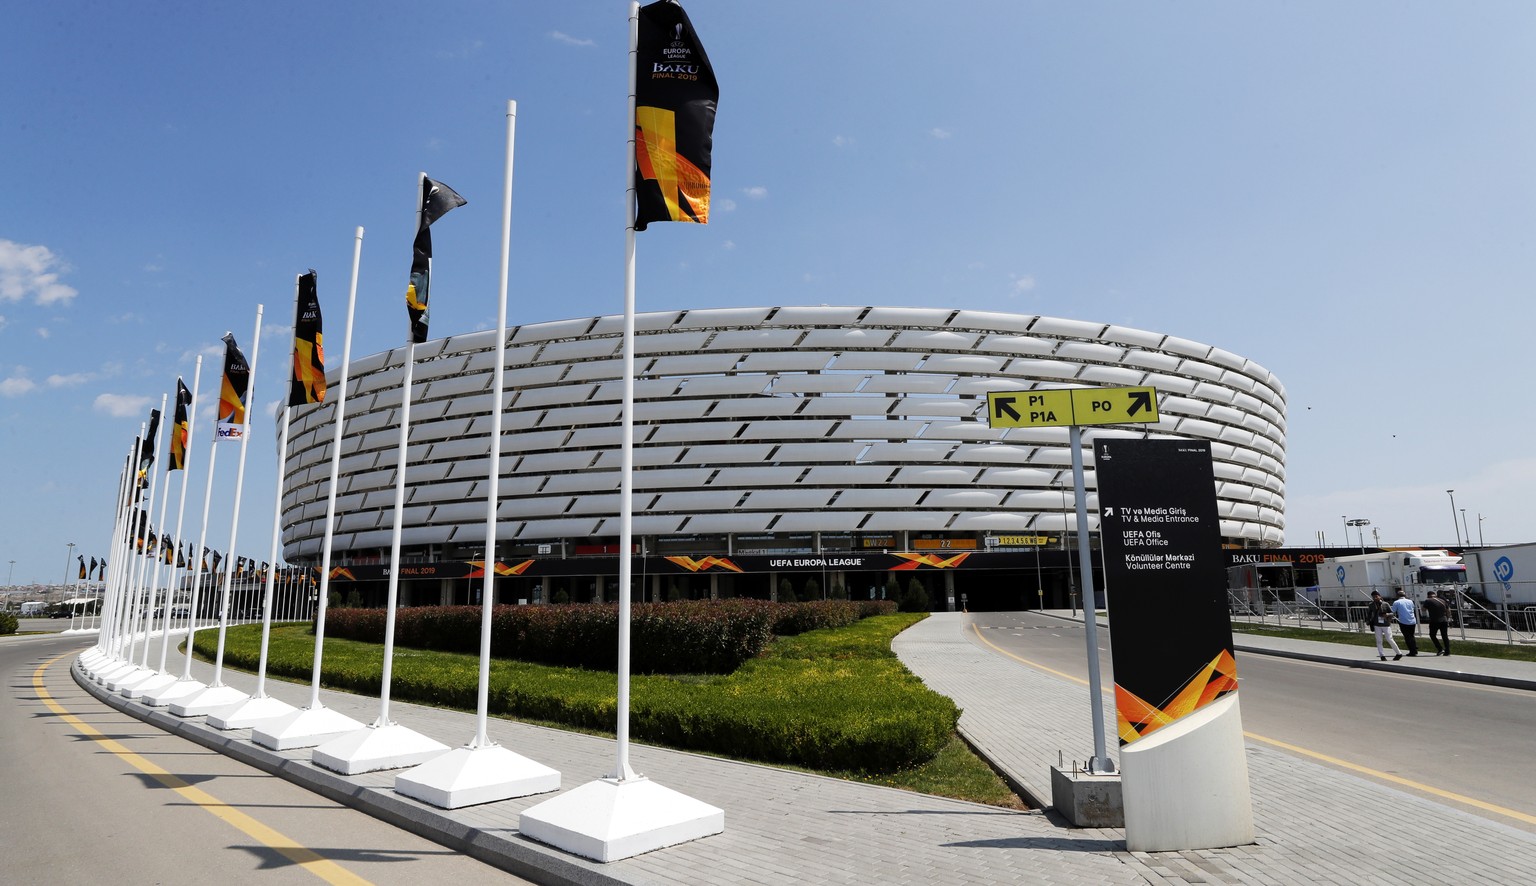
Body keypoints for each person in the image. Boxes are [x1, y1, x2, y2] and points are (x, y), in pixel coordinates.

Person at [1366, 591, 1403, 661]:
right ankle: (1382, 655)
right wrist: (1368, 620)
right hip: (1377, 625)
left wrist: (1387, 615)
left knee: (1390, 639)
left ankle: (1398, 653)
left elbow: (1392, 613)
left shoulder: (1385, 604)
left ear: (1379, 596)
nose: (1375, 598)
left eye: (1376, 596)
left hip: (1386, 624)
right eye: (1373, 597)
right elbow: (1369, 614)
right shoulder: (1371, 605)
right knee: (1379, 641)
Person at [1391, 589, 1420, 656]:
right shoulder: (1410, 601)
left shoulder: (1397, 602)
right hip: (1412, 620)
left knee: (1407, 637)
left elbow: (1392, 611)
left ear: (1397, 595)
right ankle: (1414, 648)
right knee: (1412, 635)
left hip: (1403, 621)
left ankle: (1412, 651)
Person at [1424, 590, 1452, 656]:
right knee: (1444, 636)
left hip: (1434, 621)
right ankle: (1447, 651)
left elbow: (1423, 609)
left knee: (1432, 635)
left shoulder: (1428, 600)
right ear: (1435, 595)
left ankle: (1440, 648)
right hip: (1444, 620)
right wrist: (1448, 618)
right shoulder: (1442, 600)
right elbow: (1448, 610)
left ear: (1428, 596)